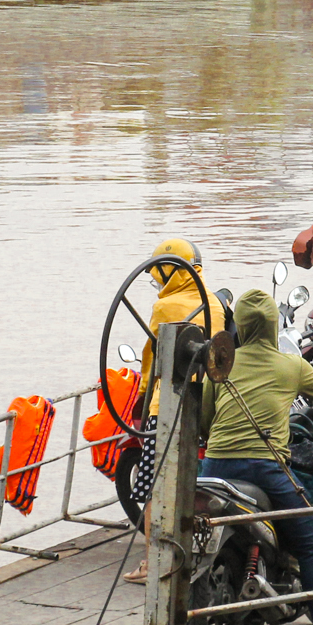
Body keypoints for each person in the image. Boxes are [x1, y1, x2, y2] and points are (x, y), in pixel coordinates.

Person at [200, 290, 313, 625]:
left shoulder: (221, 364)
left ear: (237, 325)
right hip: (265, 467)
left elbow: (206, 420)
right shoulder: (291, 365)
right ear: (274, 326)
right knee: (310, 540)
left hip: (215, 465)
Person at [125, 237, 230, 581]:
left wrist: (142, 395)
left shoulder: (164, 309)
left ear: (169, 271)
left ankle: (154, 562)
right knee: (187, 479)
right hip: (203, 401)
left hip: (166, 404)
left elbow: (151, 359)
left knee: (154, 486)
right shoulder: (213, 302)